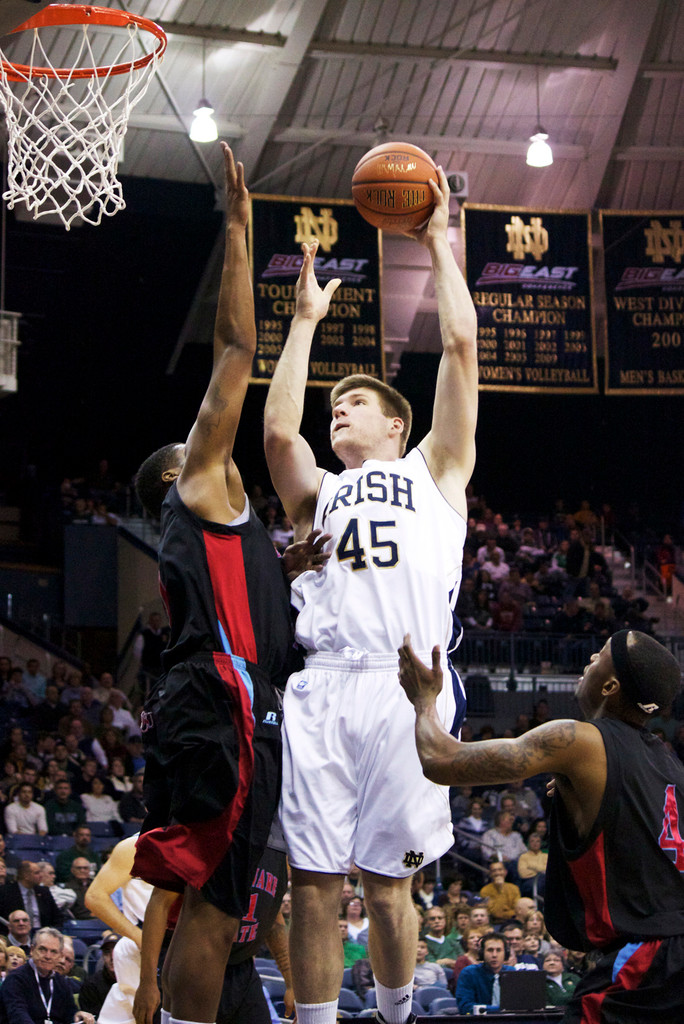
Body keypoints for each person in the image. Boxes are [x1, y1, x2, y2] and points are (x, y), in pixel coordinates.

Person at [263, 163, 478, 1024]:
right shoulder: (317, 490)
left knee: (391, 887)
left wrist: (437, 239)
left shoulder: (435, 469)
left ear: (397, 423)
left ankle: (395, 1019)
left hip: (407, 685)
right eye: (335, 405)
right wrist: (305, 324)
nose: (336, 411)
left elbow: (460, 348)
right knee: (314, 886)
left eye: (355, 403)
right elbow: (278, 431)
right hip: (322, 686)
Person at [130, 145, 325, 1024]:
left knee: (224, 910)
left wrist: (282, 569)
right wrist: (242, 228)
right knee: (211, 912)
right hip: (220, 704)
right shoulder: (198, 482)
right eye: (192, 442)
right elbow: (236, 344)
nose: (204, 436)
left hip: (228, 703)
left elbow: (237, 593)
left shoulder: (229, 525)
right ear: (177, 475)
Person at [399, 628, 684, 1022]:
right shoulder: (670, 764)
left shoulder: (580, 741)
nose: (589, 660)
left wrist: (424, 701)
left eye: (599, 655)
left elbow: (440, 761)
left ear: (611, 685)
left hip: (645, 961)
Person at [0, 927, 95, 1024]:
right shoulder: (15, 979)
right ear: (32, 950)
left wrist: (77, 1015)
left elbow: (69, 1013)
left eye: (53, 952)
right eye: (42, 949)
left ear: (59, 956)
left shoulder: (61, 981)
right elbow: (18, 1017)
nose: (48, 956)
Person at [454, 931, 512, 1014]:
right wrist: (499, 1010)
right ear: (482, 953)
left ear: (505, 953)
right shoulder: (469, 973)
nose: (494, 955)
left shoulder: (512, 973)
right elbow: (465, 1007)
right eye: (490, 950)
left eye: (499, 950)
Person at [0, 860, 61, 932]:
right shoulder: (5, 892)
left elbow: (57, 917)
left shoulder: (44, 891)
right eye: (36, 873)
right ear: (26, 876)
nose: (41, 876)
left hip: (42, 935)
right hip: (13, 935)